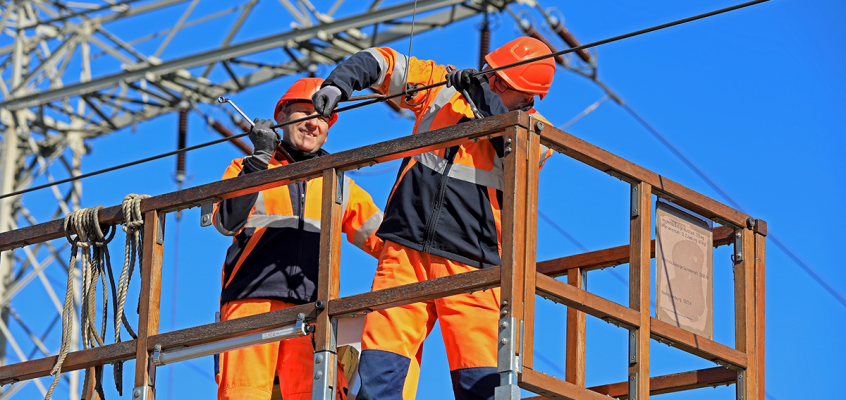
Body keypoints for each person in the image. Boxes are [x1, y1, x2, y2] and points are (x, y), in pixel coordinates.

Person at [311, 36, 556, 400]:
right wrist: (339, 83)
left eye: (504, 84)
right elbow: (383, 62)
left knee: (483, 383)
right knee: (379, 370)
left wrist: (481, 100)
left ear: (528, 97)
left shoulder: (536, 133)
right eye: (493, 75)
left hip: (473, 265)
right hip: (404, 251)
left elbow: (512, 155)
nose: (493, 83)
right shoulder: (441, 85)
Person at [213, 77, 385, 400]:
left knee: (314, 394)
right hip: (251, 304)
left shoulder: (338, 184)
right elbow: (226, 220)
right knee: (243, 393)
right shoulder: (247, 167)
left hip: (313, 313)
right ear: (280, 117)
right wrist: (259, 161)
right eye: (303, 113)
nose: (313, 123)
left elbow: (387, 241)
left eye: (321, 116)